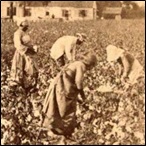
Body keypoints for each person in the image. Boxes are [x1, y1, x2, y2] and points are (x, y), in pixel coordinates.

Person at [41, 53, 97, 144]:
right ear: (90, 63)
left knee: (56, 108)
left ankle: (54, 129)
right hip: (63, 88)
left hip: (60, 86)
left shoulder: (76, 63)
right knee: (66, 110)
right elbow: (78, 82)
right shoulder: (81, 65)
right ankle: (63, 132)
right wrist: (83, 97)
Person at [9, 19, 38, 93]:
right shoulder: (17, 33)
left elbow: (29, 43)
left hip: (28, 54)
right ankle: (18, 88)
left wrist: (33, 47)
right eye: (26, 25)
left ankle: (28, 86)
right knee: (20, 69)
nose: (27, 26)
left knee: (30, 69)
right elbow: (18, 45)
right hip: (21, 54)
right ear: (21, 24)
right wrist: (28, 49)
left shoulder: (25, 33)